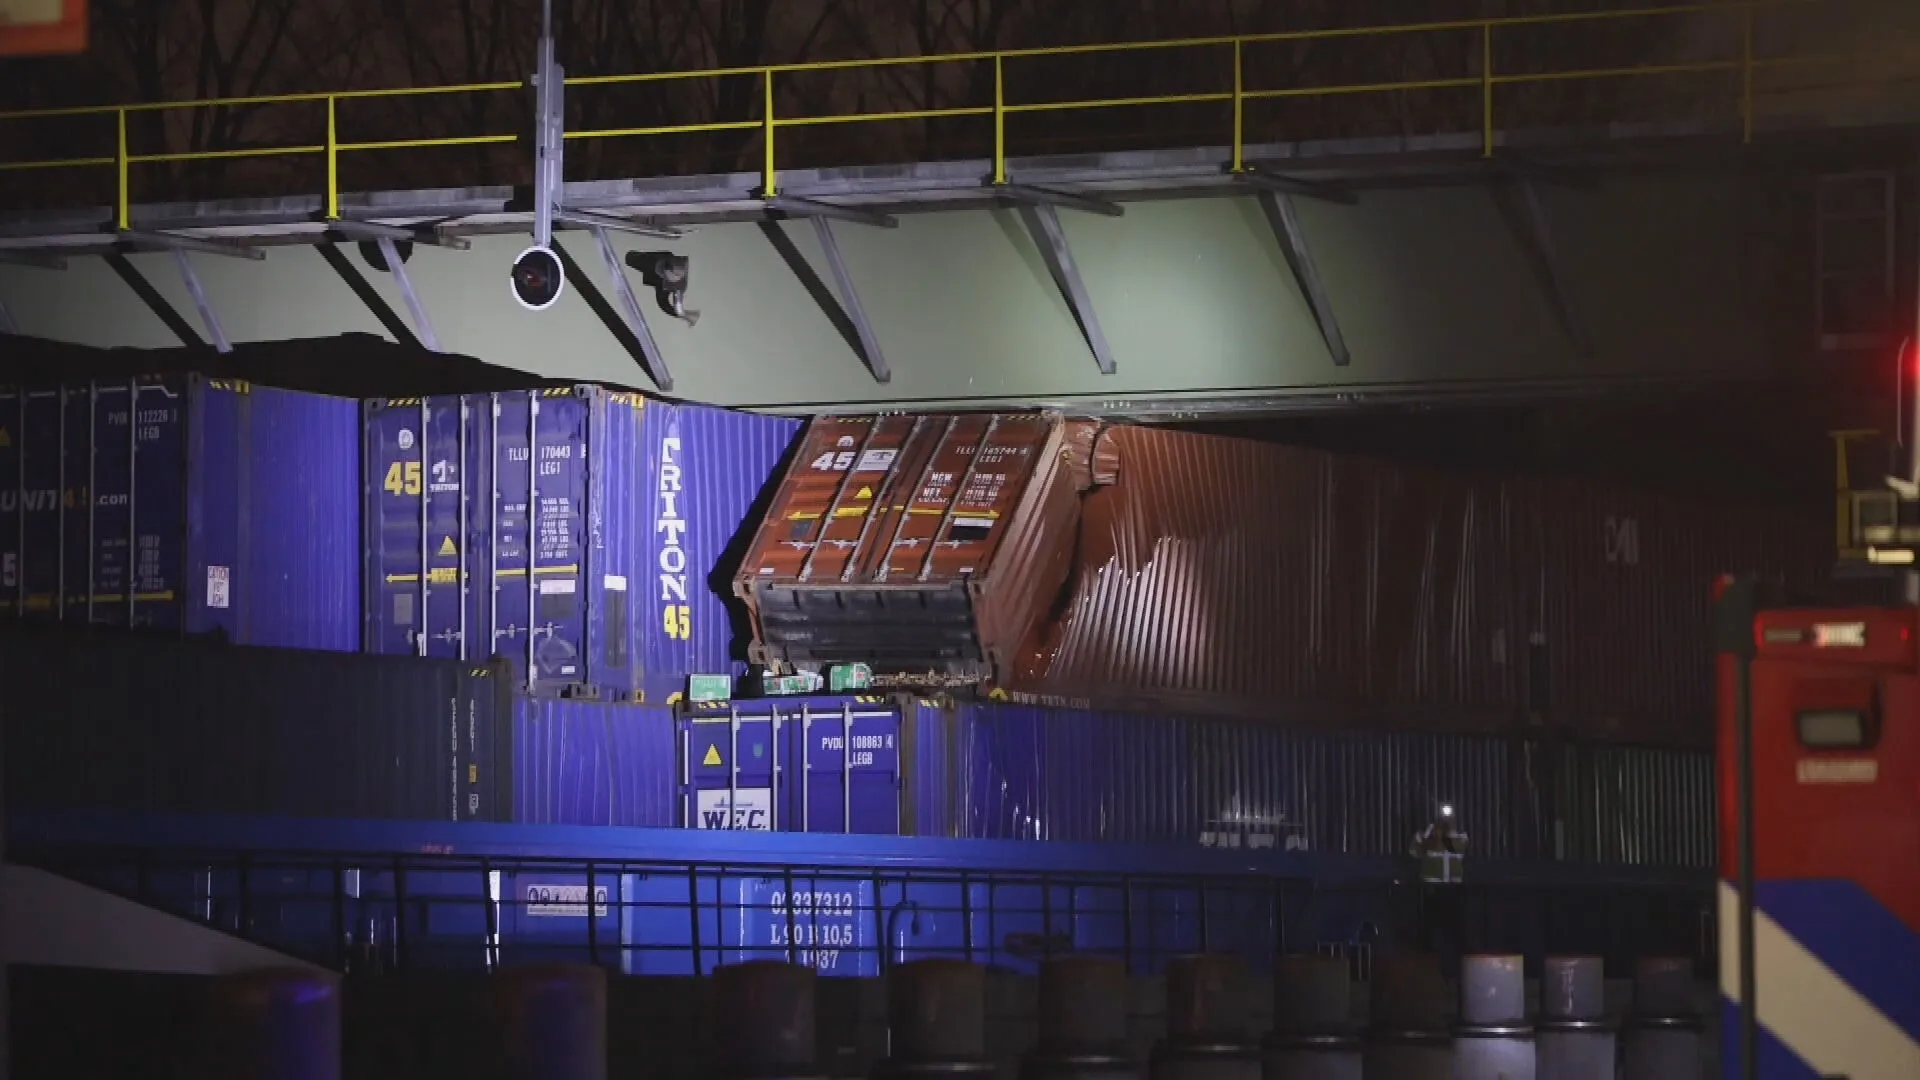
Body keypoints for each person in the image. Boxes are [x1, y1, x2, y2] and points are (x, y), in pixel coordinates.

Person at [1410, 804, 1468, 955]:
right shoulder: (1425, 833)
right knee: (1430, 926)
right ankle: (1427, 955)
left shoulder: (1460, 835)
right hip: (1432, 888)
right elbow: (1414, 852)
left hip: (1453, 888)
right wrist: (1431, 837)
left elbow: (1458, 849)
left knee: (1455, 928)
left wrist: (1443, 836)